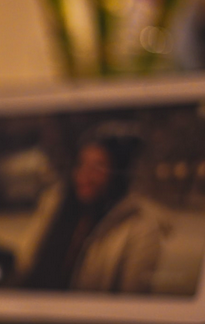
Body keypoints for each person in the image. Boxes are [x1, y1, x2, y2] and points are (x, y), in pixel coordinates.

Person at [21, 123, 166, 293]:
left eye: (98, 167)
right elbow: (27, 263)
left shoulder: (139, 230)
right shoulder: (56, 207)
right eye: (81, 164)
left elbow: (134, 298)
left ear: (117, 175)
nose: (85, 176)